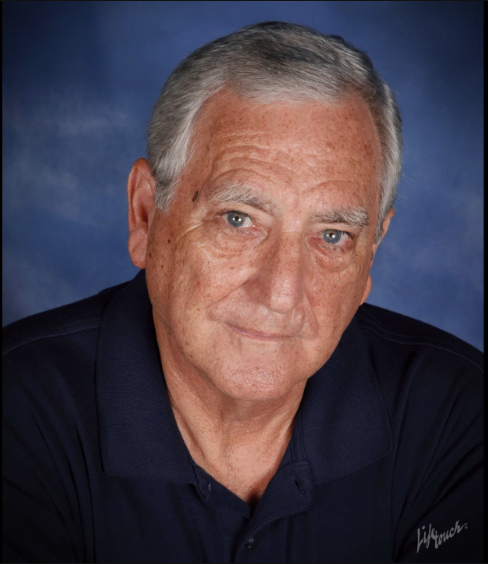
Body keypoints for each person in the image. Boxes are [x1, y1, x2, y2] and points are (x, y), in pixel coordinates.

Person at [2, 21, 483, 564]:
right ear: (144, 215)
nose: (281, 292)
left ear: (371, 252)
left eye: (332, 236)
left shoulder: (457, 415)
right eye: (238, 218)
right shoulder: (17, 413)